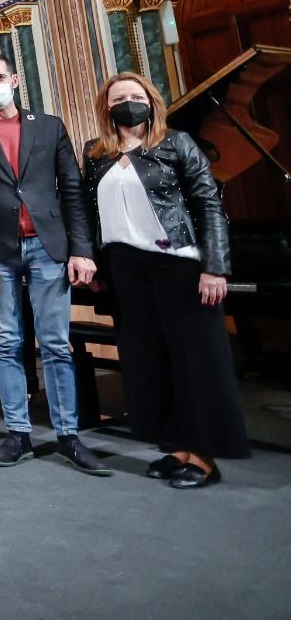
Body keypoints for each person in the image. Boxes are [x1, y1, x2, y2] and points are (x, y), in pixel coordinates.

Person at [81, 72, 247, 489]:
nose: (128, 103)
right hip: (124, 270)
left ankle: (203, 456)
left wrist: (214, 266)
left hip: (177, 265)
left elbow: (208, 204)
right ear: (106, 106)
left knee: (194, 362)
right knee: (147, 362)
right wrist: (96, 264)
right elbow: (89, 212)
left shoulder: (176, 143)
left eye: (136, 96)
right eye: (120, 98)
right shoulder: (96, 153)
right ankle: (174, 449)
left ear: (151, 102)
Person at [0, 52, 108, 475]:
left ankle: (68, 435)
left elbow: (72, 190)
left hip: (47, 246)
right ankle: (18, 432)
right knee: (6, 343)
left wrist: (82, 249)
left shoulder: (50, 126)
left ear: (15, 80)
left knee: (55, 343)